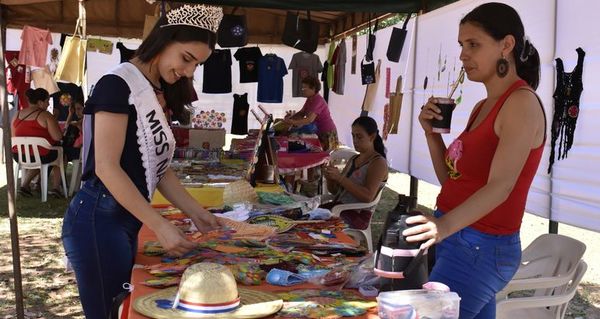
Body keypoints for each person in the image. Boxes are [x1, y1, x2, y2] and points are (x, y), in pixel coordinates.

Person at [61, 5, 223, 318]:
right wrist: (159, 225)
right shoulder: (117, 84)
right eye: (186, 58)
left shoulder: (157, 89)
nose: (188, 71)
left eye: (197, 65)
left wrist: (198, 213)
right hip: (98, 217)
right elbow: (106, 167)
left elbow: (159, 169)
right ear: (163, 41)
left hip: (124, 218)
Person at [403, 3, 545, 318]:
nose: (463, 55)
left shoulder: (520, 103)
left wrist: (441, 227)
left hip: (481, 247)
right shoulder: (483, 105)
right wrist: (431, 135)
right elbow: (454, 182)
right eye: (462, 45)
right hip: (461, 240)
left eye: (473, 44)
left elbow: (501, 187)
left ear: (506, 45)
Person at [322, 116, 388, 230]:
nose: (355, 141)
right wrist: (330, 178)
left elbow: (367, 197)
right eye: (353, 136)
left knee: (313, 221)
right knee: (307, 214)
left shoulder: (378, 163)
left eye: (359, 136)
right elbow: (336, 191)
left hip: (357, 215)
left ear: (372, 137)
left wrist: (340, 178)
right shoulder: (354, 159)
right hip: (340, 207)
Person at [11, 88, 63, 197]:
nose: (48, 103)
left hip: (18, 155)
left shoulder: (17, 114)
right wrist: (55, 118)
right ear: (40, 102)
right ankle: (55, 188)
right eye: (47, 101)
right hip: (40, 155)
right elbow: (57, 137)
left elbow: (13, 135)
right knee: (61, 155)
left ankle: (25, 185)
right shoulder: (46, 115)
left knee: (37, 156)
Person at [284, 75, 339, 152]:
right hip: (319, 131)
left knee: (324, 157)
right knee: (318, 154)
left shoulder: (318, 100)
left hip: (328, 133)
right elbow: (302, 113)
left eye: (305, 88)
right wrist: (290, 118)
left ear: (313, 89)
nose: (302, 90)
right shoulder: (310, 99)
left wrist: (292, 122)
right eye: (302, 87)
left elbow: (309, 119)